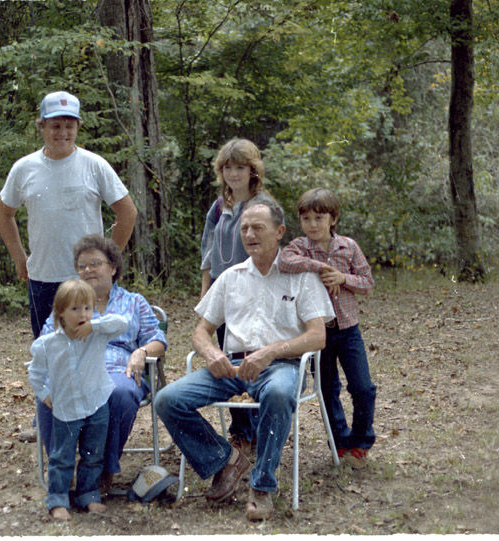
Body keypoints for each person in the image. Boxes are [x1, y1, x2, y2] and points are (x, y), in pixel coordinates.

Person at [155, 197, 335, 521]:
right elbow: (201, 331)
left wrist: (270, 352)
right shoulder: (231, 277)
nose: (250, 234)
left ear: (279, 231)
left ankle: (262, 486)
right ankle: (224, 460)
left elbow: (317, 336)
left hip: (281, 365)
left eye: (258, 227)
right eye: (245, 228)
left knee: (279, 394)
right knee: (167, 399)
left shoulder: (301, 275)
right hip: (232, 367)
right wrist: (211, 352)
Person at [0, 90, 138, 339]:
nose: (63, 133)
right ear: (41, 126)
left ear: (78, 127)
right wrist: (19, 258)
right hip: (42, 278)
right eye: (55, 126)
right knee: (47, 351)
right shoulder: (24, 168)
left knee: (92, 349)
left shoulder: (94, 165)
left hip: (88, 279)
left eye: (69, 126)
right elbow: (4, 213)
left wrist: (107, 260)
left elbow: (127, 211)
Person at [37, 235, 167, 494]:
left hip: (120, 370)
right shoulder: (66, 304)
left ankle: (103, 469)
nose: (87, 270)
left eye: (94, 263)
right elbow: (45, 342)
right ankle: (60, 468)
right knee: (49, 391)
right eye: (82, 265)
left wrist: (141, 351)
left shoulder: (134, 302)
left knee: (119, 393)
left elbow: (158, 339)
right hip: (74, 371)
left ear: (113, 267)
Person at [278, 187, 376, 468]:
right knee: (328, 388)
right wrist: (320, 268)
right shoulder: (299, 246)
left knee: (362, 387)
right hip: (316, 332)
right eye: (306, 218)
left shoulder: (348, 246)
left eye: (319, 218)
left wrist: (341, 277)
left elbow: (367, 283)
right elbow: (285, 261)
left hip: (347, 329)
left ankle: (361, 440)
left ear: (333, 219)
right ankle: (340, 441)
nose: (313, 225)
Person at [28, 279, 128, 521]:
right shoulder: (47, 344)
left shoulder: (97, 334)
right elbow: (35, 373)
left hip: (97, 402)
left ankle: (88, 494)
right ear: (60, 312)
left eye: (87, 308)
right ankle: (58, 498)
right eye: (75, 309)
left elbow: (122, 323)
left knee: (94, 454)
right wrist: (45, 394)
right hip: (66, 408)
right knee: (62, 456)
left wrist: (94, 326)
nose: (82, 314)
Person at [199, 138, 273, 456]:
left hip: (252, 294)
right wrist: (205, 293)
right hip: (221, 291)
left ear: (252, 170)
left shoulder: (263, 205)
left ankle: (259, 429)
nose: (233, 174)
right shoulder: (219, 207)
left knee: (250, 358)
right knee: (227, 363)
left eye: (240, 167)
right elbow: (207, 253)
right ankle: (240, 431)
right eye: (228, 167)